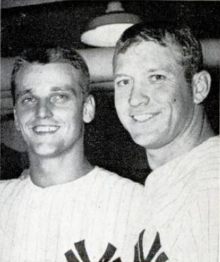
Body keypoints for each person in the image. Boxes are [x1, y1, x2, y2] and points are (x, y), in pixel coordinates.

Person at [0, 47, 145, 262]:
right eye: (29, 100)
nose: (42, 112)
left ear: (87, 109)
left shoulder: (135, 204)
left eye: (59, 97)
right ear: (17, 117)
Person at [113, 23, 219, 262]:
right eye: (124, 82)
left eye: (156, 77)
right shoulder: (175, 180)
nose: (135, 99)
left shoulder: (211, 187)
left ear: (199, 87)